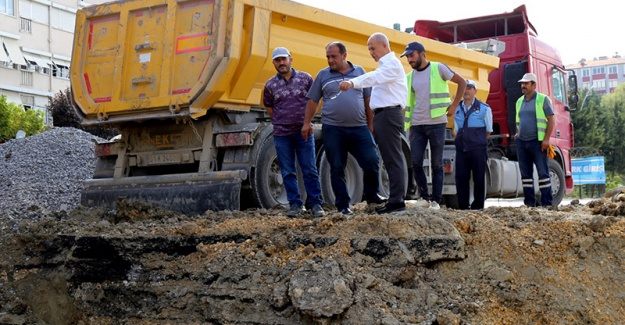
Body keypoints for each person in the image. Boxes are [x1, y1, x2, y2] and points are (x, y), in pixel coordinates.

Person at [302, 41, 383, 215]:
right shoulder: (323, 75)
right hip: (333, 129)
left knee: (371, 161)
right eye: (328, 57)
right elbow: (313, 100)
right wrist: (306, 122)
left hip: (359, 128)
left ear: (344, 55)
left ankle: (372, 195)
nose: (330, 60)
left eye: (334, 56)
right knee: (337, 167)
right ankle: (343, 205)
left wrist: (371, 125)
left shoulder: (360, 72)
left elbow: (368, 100)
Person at [338, 32, 407, 214]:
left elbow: (373, 78)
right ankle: (395, 199)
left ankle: (397, 201)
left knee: (393, 158)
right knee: (391, 158)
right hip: (384, 115)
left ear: (384, 46)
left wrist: (352, 83)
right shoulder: (385, 66)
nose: (371, 52)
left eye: (373, 48)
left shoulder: (391, 65)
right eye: (369, 49)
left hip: (389, 115)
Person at [401, 41, 467, 209]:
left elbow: (462, 83)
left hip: (437, 123)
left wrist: (454, 106)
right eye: (407, 57)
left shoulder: (439, 68)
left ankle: (436, 201)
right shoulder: (409, 77)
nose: (409, 59)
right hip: (416, 125)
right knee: (415, 162)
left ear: (422, 53)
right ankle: (424, 197)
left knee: (436, 164)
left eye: (411, 55)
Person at [262, 47, 325, 218]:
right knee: (287, 170)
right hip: (282, 134)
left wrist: (308, 121)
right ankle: (295, 205)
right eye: (277, 60)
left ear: (291, 59)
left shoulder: (305, 79)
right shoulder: (270, 85)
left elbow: (315, 100)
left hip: (304, 132)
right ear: (274, 63)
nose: (281, 63)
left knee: (309, 168)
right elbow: (268, 106)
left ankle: (316, 204)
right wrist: (280, 120)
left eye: (284, 59)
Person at [515, 72, 555, 207]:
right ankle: (529, 203)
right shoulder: (519, 101)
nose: (523, 86)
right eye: (522, 83)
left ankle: (547, 203)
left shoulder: (543, 99)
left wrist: (546, 139)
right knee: (526, 175)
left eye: (526, 83)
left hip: (538, 142)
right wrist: (517, 134)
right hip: (522, 142)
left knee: (543, 173)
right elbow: (518, 121)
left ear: (534, 85)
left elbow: (551, 120)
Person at [453, 79, 493, 210]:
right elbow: (456, 129)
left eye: (470, 87)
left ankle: (478, 207)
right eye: (464, 87)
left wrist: (475, 140)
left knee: (479, 178)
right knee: (461, 178)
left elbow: (488, 131)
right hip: (461, 150)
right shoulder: (457, 108)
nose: (466, 90)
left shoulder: (484, 109)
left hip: (477, 150)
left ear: (475, 91)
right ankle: (463, 207)